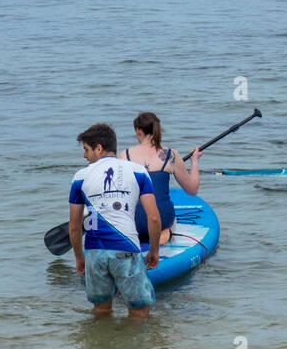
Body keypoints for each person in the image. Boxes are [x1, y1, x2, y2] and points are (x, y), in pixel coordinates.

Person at [69, 123, 160, 318]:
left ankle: (103, 347)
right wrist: (154, 251)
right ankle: (134, 347)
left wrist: (79, 257)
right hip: (126, 248)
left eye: (86, 150)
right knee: (139, 312)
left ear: (99, 148)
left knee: (101, 310)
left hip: (94, 251)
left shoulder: (80, 177)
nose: (85, 156)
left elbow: (75, 227)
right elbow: (153, 217)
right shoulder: (138, 171)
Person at [118, 112, 201, 246]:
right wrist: (194, 161)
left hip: (135, 221)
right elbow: (192, 189)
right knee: (170, 218)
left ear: (138, 131)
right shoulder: (171, 155)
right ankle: (165, 232)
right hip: (162, 219)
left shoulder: (124, 155)